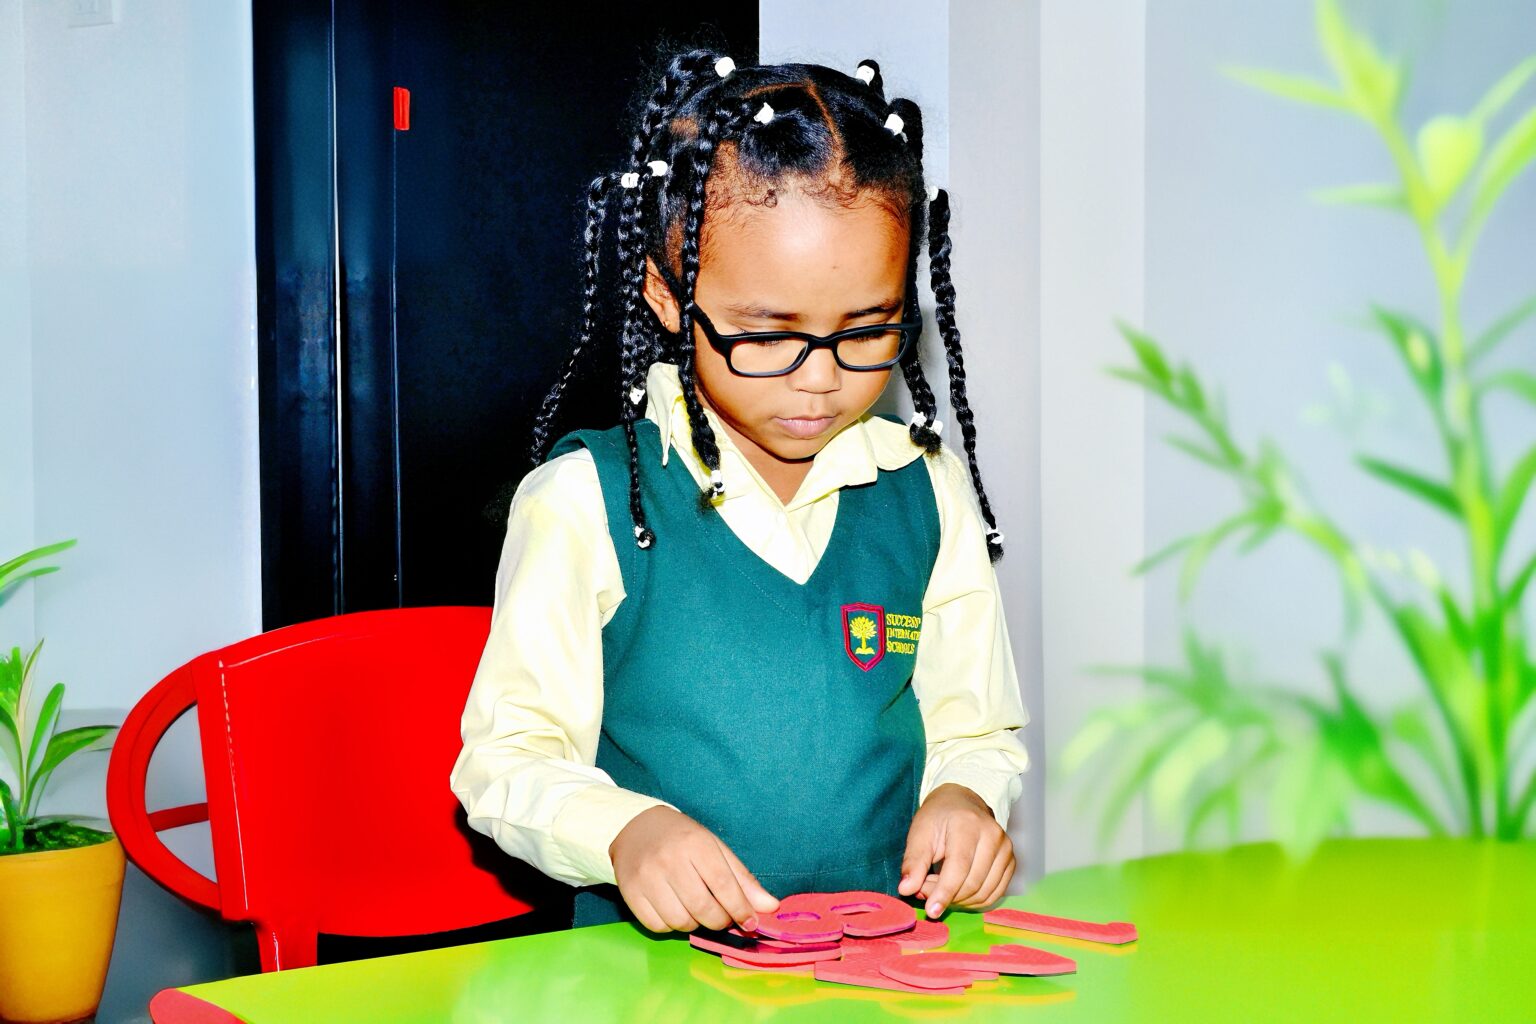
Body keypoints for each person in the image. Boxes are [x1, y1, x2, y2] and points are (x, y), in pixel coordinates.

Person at [449, 49, 1031, 934]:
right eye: (766, 335)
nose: (819, 380)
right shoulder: (584, 501)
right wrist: (624, 832)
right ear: (667, 297)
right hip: (652, 981)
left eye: (867, 331)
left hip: (880, 967)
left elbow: (975, 729)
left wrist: (965, 796)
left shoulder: (925, 489)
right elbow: (506, 761)